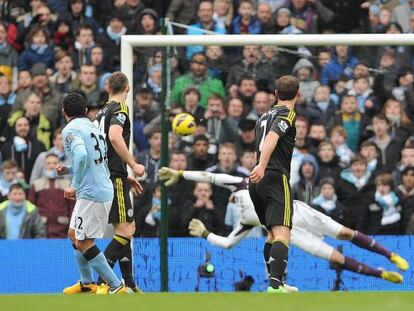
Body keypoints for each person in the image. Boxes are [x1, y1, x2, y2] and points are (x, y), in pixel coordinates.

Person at [158, 167, 407, 287]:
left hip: (298, 211)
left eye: (232, 200)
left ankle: (390, 254)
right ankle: (381, 273)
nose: (233, 203)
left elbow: (210, 177)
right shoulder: (245, 222)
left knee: (344, 232)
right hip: (290, 232)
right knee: (335, 257)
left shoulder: (241, 185)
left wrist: (181, 174)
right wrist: (205, 233)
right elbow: (227, 243)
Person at [58, 93, 131, 294]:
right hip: (100, 187)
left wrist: (74, 184)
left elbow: (81, 155)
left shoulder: (70, 130)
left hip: (91, 192)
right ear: (85, 111)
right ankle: (87, 283)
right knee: (74, 234)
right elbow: (94, 159)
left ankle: (116, 286)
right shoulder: (93, 126)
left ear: (64, 112)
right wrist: (69, 169)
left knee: (83, 241)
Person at [94, 72, 145, 292]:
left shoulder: (100, 113)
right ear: (128, 89)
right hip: (113, 176)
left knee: (123, 229)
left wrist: (126, 174)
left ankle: (129, 284)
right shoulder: (120, 109)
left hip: (106, 175)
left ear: (108, 88)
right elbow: (115, 136)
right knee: (126, 231)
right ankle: (102, 283)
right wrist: (132, 164)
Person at [249, 75, 298, 293]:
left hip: (257, 180)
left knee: (271, 234)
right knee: (282, 233)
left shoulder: (262, 116)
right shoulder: (286, 114)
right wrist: (262, 165)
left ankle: (276, 281)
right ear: (298, 94)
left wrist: (258, 166)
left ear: (275, 94)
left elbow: (258, 143)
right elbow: (271, 137)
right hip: (274, 176)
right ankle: (275, 286)